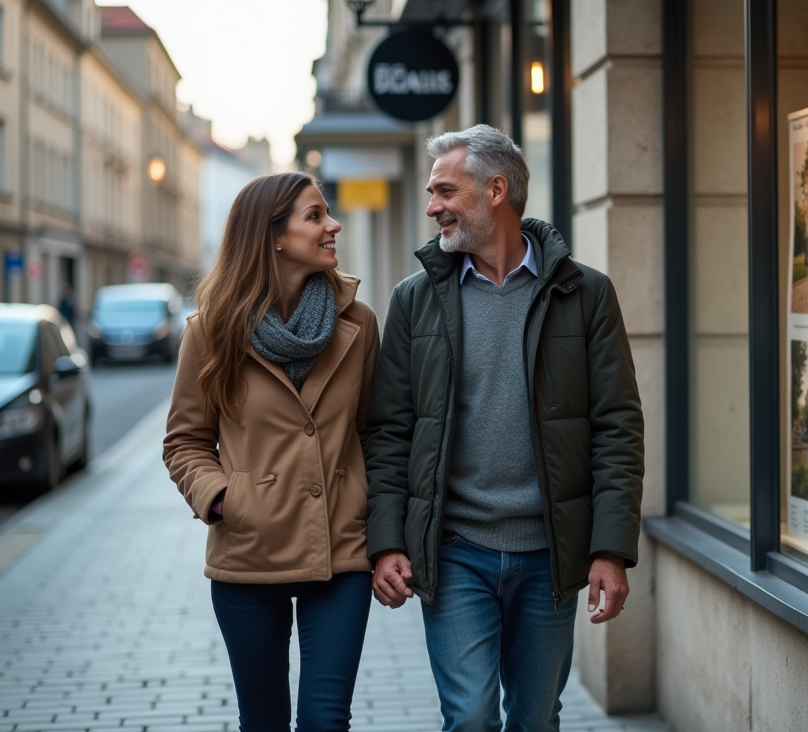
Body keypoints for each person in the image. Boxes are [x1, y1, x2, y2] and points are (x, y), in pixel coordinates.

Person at [365, 124, 645, 732]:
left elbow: (617, 425)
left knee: (537, 718)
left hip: (550, 553)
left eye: (445, 190)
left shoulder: (586, 294)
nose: (432, 206)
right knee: (468, 719)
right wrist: (387, 541)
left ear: (496, 190)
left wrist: (610, 548)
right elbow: (389, 430)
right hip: (455, 549)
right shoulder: (415, 300)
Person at [163, 172, 380, 732]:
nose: (333, 225)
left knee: (325, 719)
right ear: (274, 236)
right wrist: (222, 500)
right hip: (247, 555)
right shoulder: (211, 332)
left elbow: (375, 432)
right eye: (315, 216)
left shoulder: (358, 323)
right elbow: (185, 441)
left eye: (328, 213)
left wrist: (378, 519)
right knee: (262, 720)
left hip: (340, 552)